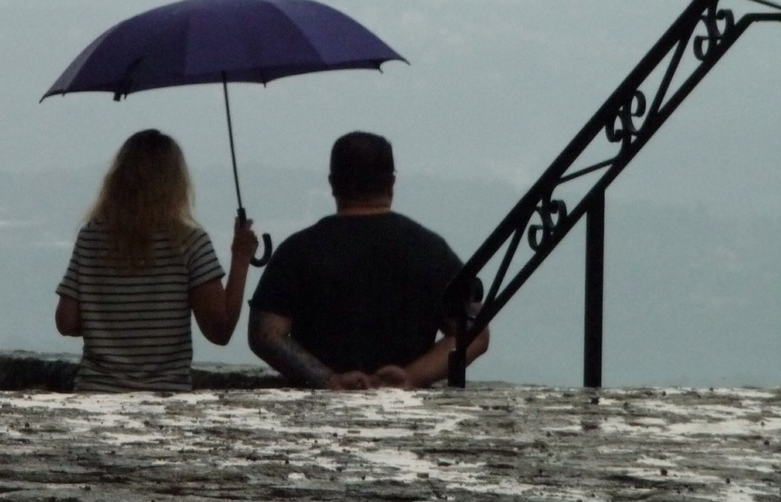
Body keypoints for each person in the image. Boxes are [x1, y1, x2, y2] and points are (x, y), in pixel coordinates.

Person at [247, 131, 488, 389]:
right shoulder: (431, 250)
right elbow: (475, 334)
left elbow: (266, 334)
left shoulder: (297, 251)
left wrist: (329, 380)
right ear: (391, 183)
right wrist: (411, 376)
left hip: (315, 414)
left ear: (333, 183)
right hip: (409, 415)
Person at [54, 129, 258, 391]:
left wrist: (111, 320)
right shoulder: (189, 243)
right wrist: (240, 259)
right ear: (176, 183)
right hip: (164, 399)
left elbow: (66, 322)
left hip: (95, 396)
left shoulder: (91, 236)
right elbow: (220, 330)